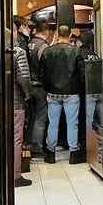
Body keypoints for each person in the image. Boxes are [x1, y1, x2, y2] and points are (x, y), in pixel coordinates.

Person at [39, 24, 84, 164]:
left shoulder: (47, 51)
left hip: (52, 92)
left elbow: (42, 73)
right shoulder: (76, 52)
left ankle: (51, 153)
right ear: (70, 36)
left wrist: (48, 87)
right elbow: (82, 73)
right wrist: (79, 88)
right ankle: (73, 153)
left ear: (57, 35)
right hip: (71, 92)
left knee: (53, 123)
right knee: (72, 123)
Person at [10, 29, 34, 187]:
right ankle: (15, 175)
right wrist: (28, 95)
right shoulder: (18, 52)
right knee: (16, 138)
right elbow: (23, 77)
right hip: (16, 101)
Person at [25, 21, 52, 158]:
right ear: (47, 32)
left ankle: (29, 144)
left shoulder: (29, 43)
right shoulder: (43, 46)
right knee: (41, 118)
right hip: (40, 86)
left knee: (32, 116)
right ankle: (37, 147)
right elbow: (45, 67)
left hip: (29, 85)